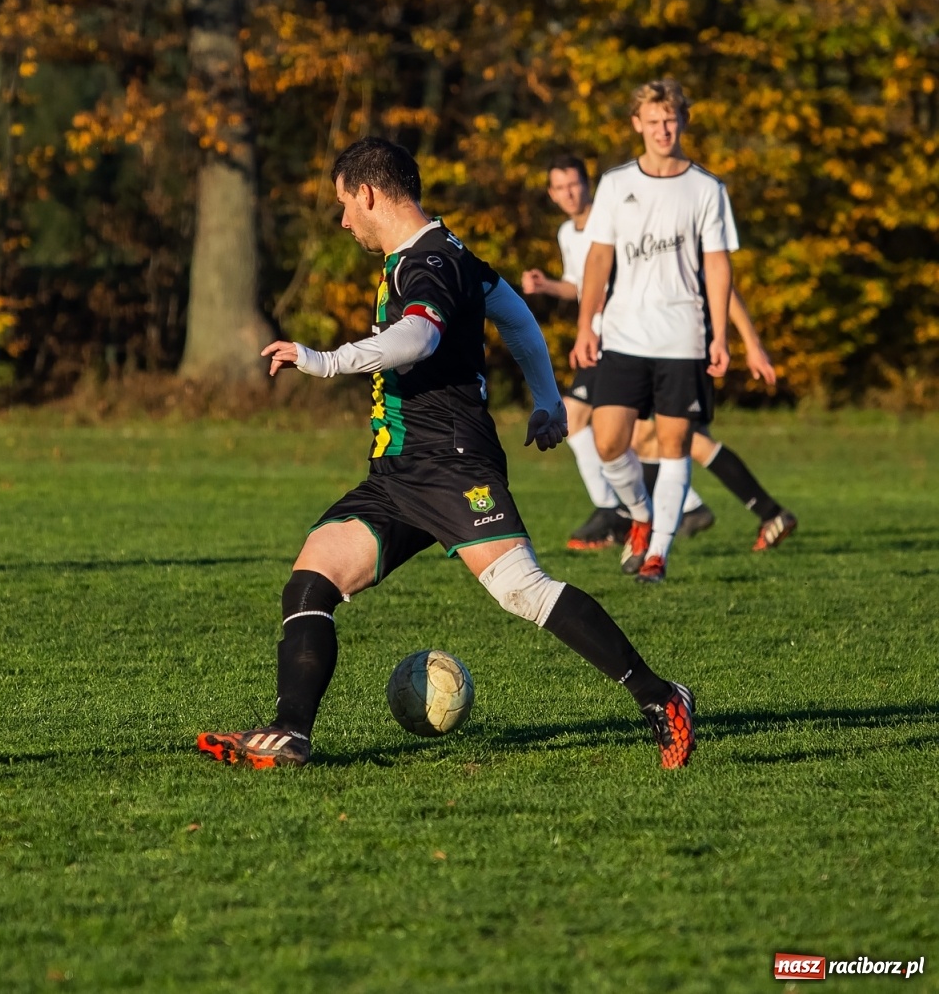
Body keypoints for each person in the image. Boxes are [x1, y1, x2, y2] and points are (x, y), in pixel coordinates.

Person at [196, 136, 695, 771]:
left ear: (369, 194)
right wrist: (548, 400)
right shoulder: (451, 251)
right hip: (398, 471)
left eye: (344, 204)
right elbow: (516, 319)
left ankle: (661, 697)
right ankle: (291, 731)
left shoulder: (427, 262)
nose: (344, 220)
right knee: (310, 581)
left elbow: (419, 337)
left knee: (523, 589)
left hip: (453, 463)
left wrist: (324, 361)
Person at [573, 80, 795, 585]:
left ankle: (658, 555)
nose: (662, 130)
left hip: (684, 338)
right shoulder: (614, 183)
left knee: (674, 445)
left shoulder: (707, 189)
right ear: (638, 125)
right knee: (608, 442)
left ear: (683, 122)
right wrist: (586, 324)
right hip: (624, 335)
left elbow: (717, 267)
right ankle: (640, 515)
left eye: (670, 121)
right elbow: (598, 258)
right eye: (652, 122)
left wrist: (721, 337)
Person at [526, 154, 796, 553]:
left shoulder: (629, 216)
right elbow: (582, 285)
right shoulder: (570, 234)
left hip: (648, 341)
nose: (569, 194)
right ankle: (720, 510)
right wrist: (550, 288)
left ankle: (621, 513)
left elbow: (716, 278)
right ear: (550, 194)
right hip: (614, 343)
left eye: (575, 184)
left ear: (589, 185)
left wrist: (749, 343)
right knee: (651, 436)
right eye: (559, 187)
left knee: (634, 431)